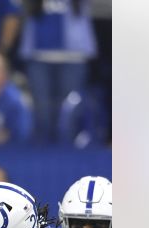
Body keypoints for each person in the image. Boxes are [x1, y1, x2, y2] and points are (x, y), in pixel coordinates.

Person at [19, 0, 96, 144]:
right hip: (39, 56)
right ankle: (42, 154)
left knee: (69, 113)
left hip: (73, 57)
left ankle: (68, 154)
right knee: (42, 112)